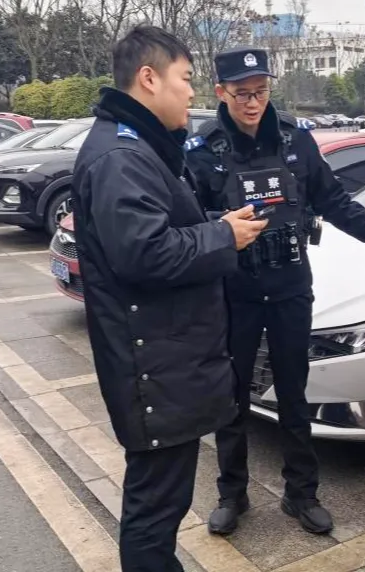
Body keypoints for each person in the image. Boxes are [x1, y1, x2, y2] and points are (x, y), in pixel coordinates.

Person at [71, 26, 268, 570]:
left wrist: (215, 224)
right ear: (149, 78)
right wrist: (223, 235)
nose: (191, 92)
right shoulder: (121, 156)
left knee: (162, 501)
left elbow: (155, 231)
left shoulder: (135, 147)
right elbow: (145, 254)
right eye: (185, 78)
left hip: (161, 361)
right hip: (153, 367)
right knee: (155, 508)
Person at [185, 46, 365, 536]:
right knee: (231, 396)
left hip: (290, 284)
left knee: (294, 393)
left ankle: (302, 493)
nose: (253, 102)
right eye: (242, 94)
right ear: (221, 92)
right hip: (235, 289)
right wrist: (220, 224)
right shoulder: (202, 149)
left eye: (260, 91)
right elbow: (186, 219)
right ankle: (232, 494)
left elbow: (333, 200)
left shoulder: (296, 140)